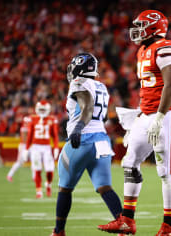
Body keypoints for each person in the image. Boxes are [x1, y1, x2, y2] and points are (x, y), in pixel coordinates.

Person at [98, 10, 171, 236]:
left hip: (168, 114)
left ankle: (169, 226)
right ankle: (127, 220)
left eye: (141, 25)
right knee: (130, 161)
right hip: (147, 114)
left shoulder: (165, 48)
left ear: (154, 27)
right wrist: (141, 114)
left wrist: (158, 116)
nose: (136, 29)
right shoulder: (143, 50)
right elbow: (150, 87)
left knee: (165, 170)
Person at [50, 53, 122, 236]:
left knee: (64, 187)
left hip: (82, 139)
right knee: (105, 187)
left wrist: (77, 128)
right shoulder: (102, 87)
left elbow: (88, 108)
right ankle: (123, 223)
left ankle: (59, 231)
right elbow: (103, 116)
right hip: (102, 141)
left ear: (79, 66)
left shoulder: (78, 83)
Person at [23, 100, 59, 199]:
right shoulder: (32, 119)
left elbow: (55, 136)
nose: (42, 111)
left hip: (47, 147)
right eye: (40, 109)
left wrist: (56, 147)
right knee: (37, 169)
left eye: (44, 109)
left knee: (49, 170)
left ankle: (48, 184)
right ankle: (38, 191)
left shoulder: (52, 119)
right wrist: (26, 149)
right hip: (35, 147)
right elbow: (30, 136)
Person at [6, 115, 31, 182]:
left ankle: (35, 177)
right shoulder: (24, 128)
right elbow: (24, 139)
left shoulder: (30, 128)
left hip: (29, 146)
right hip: (24, 146)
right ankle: (9, 175)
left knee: (35, 160)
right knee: (19, 162)